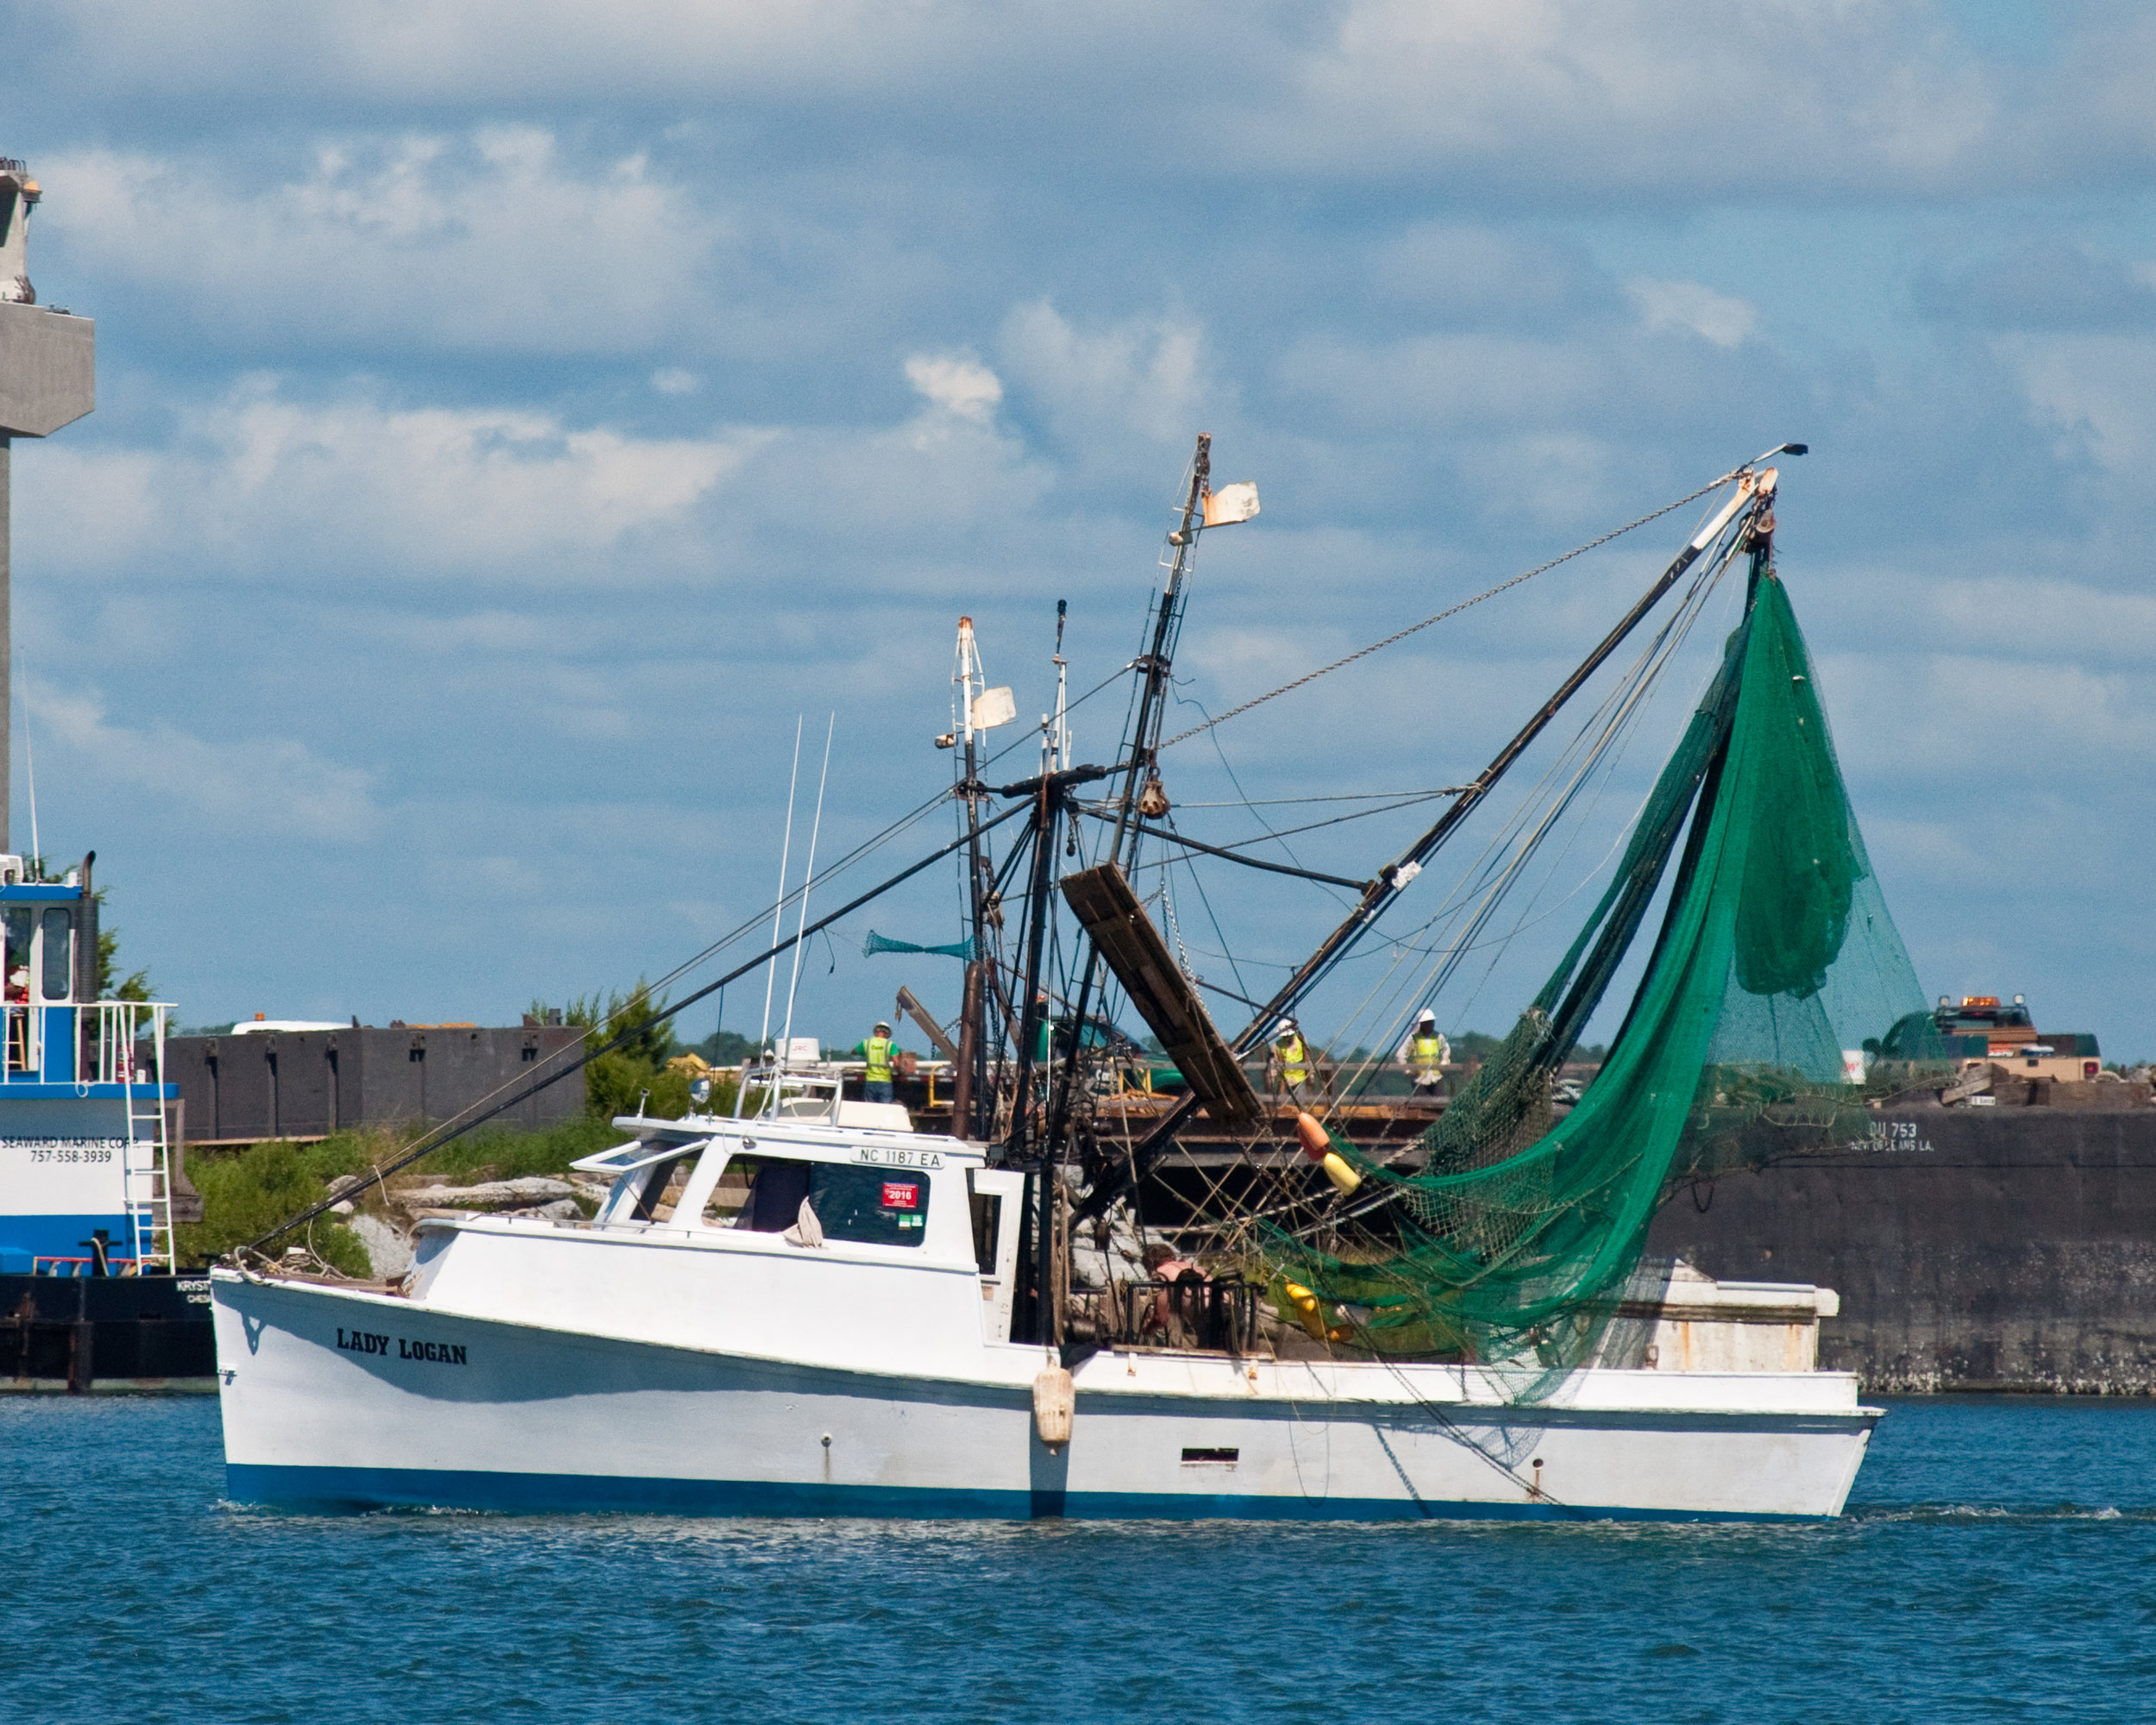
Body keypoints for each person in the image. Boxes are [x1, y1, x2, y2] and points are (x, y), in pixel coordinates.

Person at [1397, 1009, 1451, 1095]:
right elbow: (1400, 1055)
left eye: (1431, 1022)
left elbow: (1446, 1050)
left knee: (1440, 1103)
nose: (1430, 1024)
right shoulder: (1413, 1038)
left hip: (1435, 1076)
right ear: (1421, 1024)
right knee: (1421, 1104)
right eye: (1428, 1022)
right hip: (1419, 1077)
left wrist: (1444, 1062)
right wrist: (1408, 1071)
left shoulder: (1438, 1036)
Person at [1270, 1019, 1312, 1101]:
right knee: (1285, 1102)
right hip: (1285, 1078)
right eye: (1284, 1037)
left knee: (1301, 1101)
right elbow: (1274, 1061)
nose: (1286, 1038)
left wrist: (1309, 1073)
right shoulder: (1277, 1045)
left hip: (1300, 1076)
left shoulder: (1301, 1040)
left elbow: (1307, 1057)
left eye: (1287, 1036)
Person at [859, 1020, 897, 1103]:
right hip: (885, 1081)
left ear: (876, 1031)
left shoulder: (867, 1043)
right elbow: (896, 1062)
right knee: (885, 1108)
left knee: (870, 1108)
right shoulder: (890, 1045)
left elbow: (854, 1051)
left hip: (870, 1080)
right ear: (887, 1033)